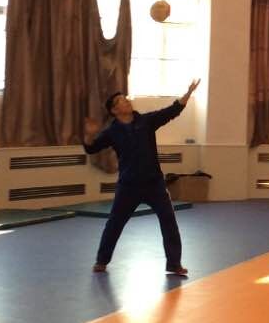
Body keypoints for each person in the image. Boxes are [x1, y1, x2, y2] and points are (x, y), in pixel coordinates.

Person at [83, 79, 200, 276]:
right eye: (121, 100)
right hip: (129, 186)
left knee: (169, 221)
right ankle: (102, 260)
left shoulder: (146, 121)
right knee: (115, 223)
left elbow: (171, 111)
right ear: (114, 110)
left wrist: (188, 93)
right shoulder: (112, 132)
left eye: (126, 98)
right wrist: (89, 136)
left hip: (154, 184)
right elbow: (92, 148)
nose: (126, 101)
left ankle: (174, 264)